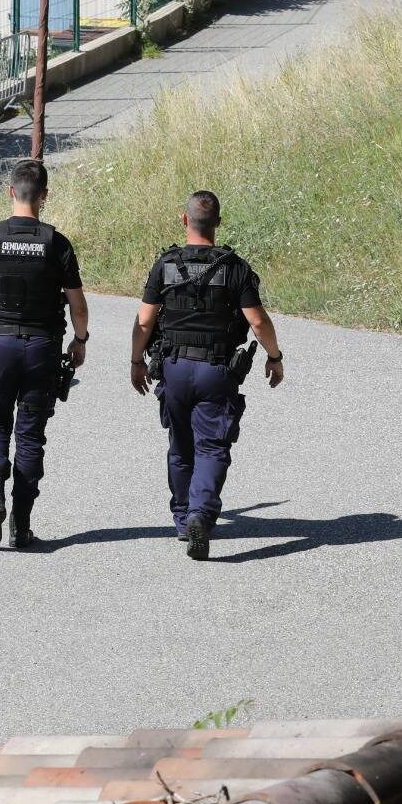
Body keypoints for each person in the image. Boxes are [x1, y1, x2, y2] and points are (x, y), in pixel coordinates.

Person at [128, 190, 285, 562]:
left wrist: (136, 360)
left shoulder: (165, 264)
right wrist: (274, 357)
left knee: (180, 445)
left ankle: (184, 520)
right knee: (212, 446)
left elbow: (145, 320)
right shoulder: (235, 268)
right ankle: (201, 512)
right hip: (217, 370)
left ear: (185, 221)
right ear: (219, 222)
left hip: (174, 368)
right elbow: (258, 321)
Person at [0, 158, 88, 549]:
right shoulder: (57, 243)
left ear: (11, 192)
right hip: (42, 347)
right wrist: (80, 340)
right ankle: (21, 525)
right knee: (30, 435)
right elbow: (77, 304)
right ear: (43, 196)